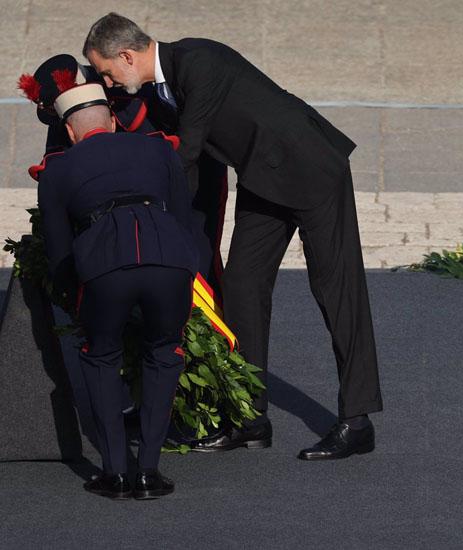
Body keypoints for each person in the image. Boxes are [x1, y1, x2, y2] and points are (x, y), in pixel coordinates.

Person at [83, 13, 383, 459]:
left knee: (336, 289)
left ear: (126, 56)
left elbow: (187, 151)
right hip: (265, 179)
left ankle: (357, 421)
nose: (110, 82)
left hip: (311, 166)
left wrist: (143, 209)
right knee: (242, 285)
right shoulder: (163, 84)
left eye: (107, 72)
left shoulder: (197, 62)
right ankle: (249, 418)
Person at [34, 78, 200, 499]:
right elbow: (183, 217)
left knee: (101, 357)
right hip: (168, 260)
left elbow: (59, 250)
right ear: (111, 120)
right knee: (164, 355)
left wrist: (75, 298)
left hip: (104, 266)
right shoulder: (159, 148)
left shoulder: (57, 170)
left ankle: (114, 472)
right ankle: (148, 471)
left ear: (70, 132)